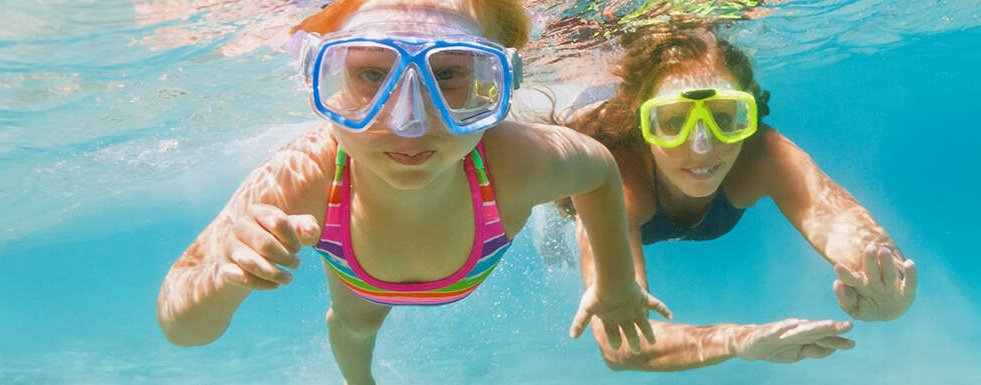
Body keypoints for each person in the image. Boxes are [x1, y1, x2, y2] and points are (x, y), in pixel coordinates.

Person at [152, 1, 671, 383]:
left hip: (408, 265)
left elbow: (600, 170)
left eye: (447, 75)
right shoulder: (304, 175)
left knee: (358, 319)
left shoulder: (513, 161)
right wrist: (225, 278)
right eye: (372, 75)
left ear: (494, 84)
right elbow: (181, 326)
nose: (409, 122)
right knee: (356, 325)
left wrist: (615, 282)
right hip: (361, 287)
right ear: (323, 78)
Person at [550, 22, 921, 371]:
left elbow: (845, 228)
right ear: (642, 127)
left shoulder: (761, 155)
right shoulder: (614, 178)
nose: (701, 146)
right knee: (555, 243)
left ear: (750, 116)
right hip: (590, 142)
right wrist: (737, 340)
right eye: (674, 121)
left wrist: (891, 292)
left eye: (725, 118)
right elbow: (620, 345)